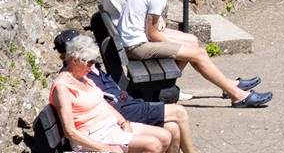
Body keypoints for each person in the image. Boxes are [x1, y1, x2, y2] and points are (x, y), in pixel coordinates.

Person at [104, 0, 270, 107]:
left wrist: (181, 45)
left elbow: (150, 29)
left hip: (132, 38)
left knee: (192, 41)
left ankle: (229, 85)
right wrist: (178, 46)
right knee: (197, 52)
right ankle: (237, 95)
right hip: (136, 47)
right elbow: (153, 34)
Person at [53, 29, 197, 153]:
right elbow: (70, 131)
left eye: (93, 61)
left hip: (109, 124)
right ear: (73, 59)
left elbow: (103, 103)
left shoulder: (83, 76)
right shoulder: (63, 86)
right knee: (155, 143)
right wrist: (104, 148)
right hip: (95, 134)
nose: (92, 66)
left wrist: (123, 122)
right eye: (89, 62)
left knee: (167, 134)